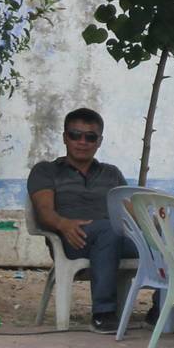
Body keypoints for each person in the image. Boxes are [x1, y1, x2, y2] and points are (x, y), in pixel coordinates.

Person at [27, 107, 134, 331]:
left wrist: (154, 227)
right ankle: (103, 313)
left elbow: (130, 210)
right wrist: (62, 224)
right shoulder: (46, 171)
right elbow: (44, 211)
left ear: (99, 141)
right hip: (72, 238)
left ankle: (164, 311)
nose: (82, 142)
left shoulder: (111, 173)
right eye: (75, 135)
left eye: (90, 137)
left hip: (116, 236)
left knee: (169, 236)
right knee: (108, 230)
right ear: (65, 137)